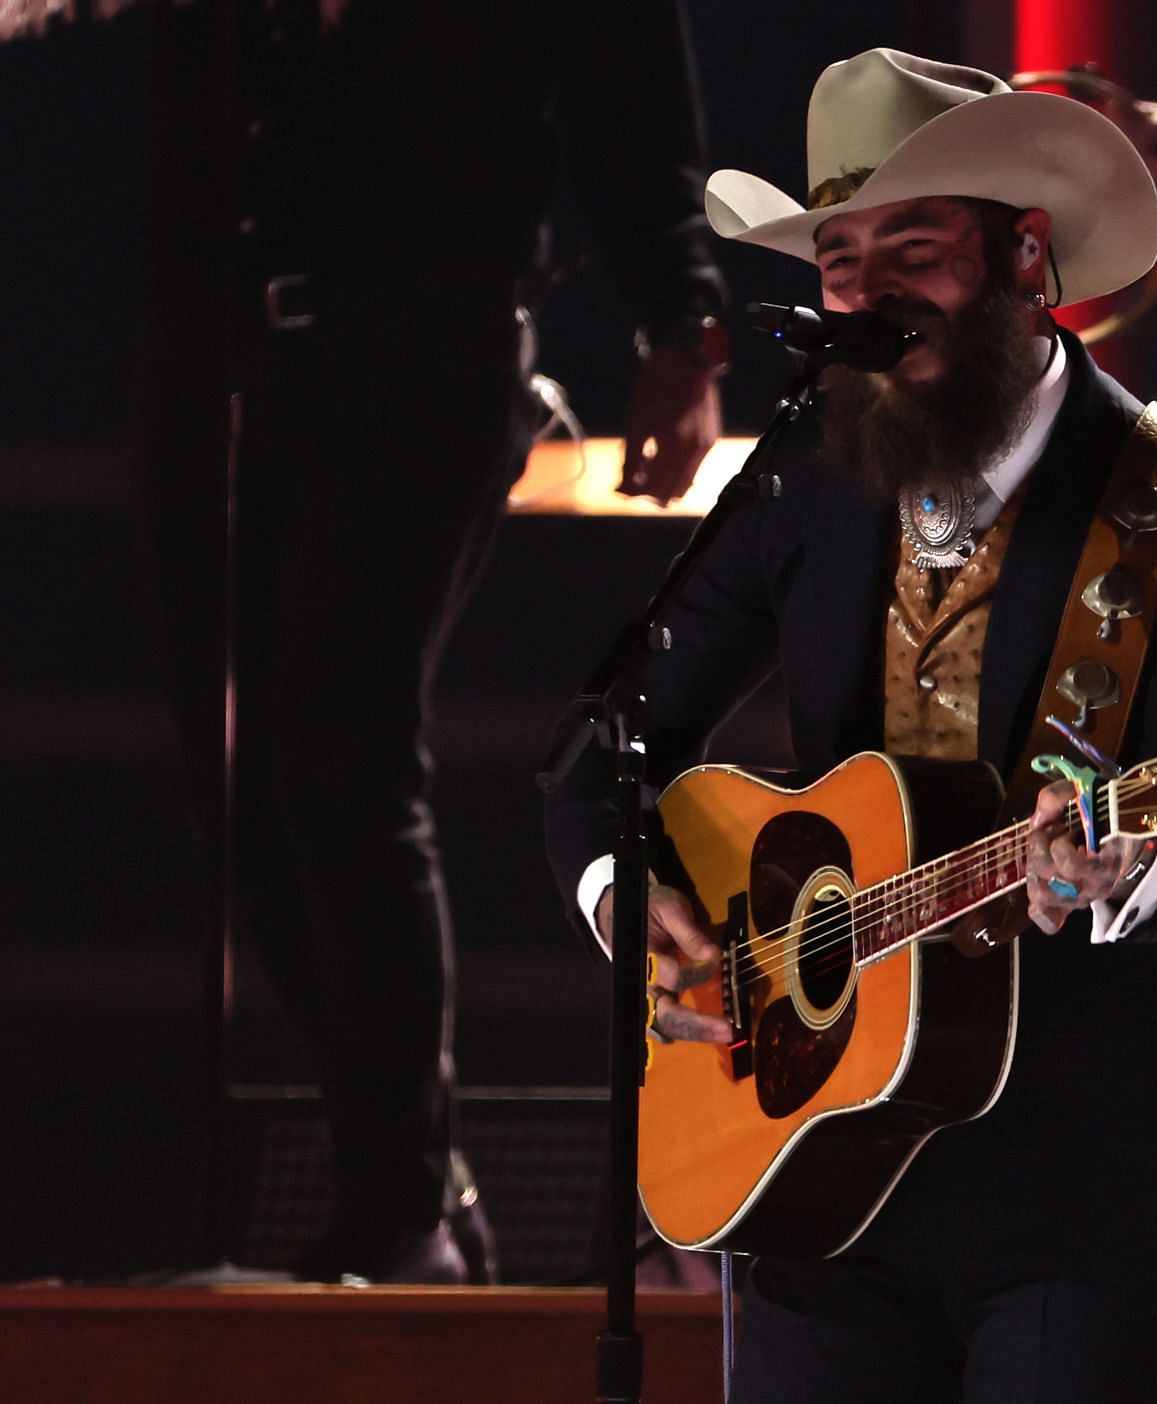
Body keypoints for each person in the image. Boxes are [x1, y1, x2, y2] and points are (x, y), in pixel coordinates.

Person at [547, 49, 1157, 1403]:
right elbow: (607, 748)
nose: (866, 294)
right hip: (814, 1137)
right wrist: (637, 900)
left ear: (1028, 260)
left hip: (1097, 1156)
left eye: (914, 249)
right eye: (840, 260)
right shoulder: (805, 475)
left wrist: (1134, 868)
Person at [139, 0, 727, 1283]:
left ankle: (402, 1201)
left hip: (426, 347)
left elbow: (631, 101)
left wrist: (678, 330)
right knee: (235, 779)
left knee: (337, 746)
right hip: (230, 350)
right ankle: (414, 1171)